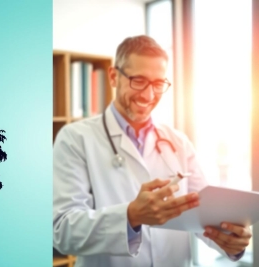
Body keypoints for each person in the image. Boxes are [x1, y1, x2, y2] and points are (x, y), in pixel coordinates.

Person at [52, 35, 252, 267]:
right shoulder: (75, 139)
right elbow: (62, 231)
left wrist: (230, 240)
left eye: (158, 84)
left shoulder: (178, 142)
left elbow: (203, 216)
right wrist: (131, 216)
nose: (148, 95)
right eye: (138, 80)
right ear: (114, 77)